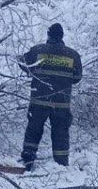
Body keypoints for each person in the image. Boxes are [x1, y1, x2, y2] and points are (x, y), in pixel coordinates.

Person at [19, 23, 83, 170]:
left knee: (33, 130)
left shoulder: (37, 50)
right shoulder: (72, 55)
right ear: (62, 36)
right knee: (61, 132)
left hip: (38, 101)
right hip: (61, 103)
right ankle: (61, 165)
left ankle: (27, 162)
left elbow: (22, 63)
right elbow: (77, 77)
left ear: (48, 35)